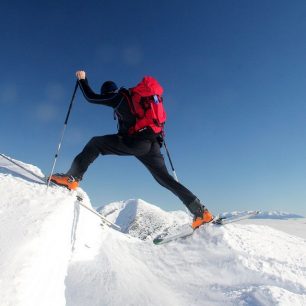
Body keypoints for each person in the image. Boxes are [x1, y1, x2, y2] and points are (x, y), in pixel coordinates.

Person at [50, 71, 213, 229]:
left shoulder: (118, 97)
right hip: (153, 143)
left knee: (95, 143)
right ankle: (201, 212)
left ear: (107, 92)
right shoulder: (137, 100)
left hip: (137, 142)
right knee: (166, 180)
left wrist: (82, 80)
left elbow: (91, 97)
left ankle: (72, 178)